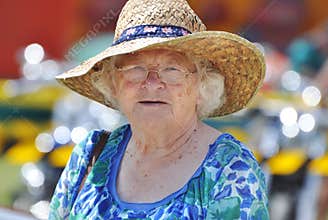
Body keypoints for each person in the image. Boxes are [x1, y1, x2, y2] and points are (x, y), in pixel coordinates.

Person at [49, 0, 269, 219]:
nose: (152, 83)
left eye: (171, 69)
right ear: (113, 83)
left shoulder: (230, 168)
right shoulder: (90, 155)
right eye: (135, 68)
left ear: (203, 85)